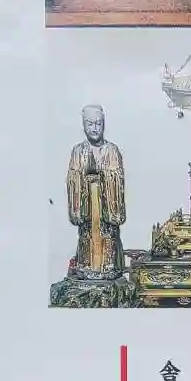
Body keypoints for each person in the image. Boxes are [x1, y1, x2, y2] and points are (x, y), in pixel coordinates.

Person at [65, 104, 126, 279]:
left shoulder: (112, 150)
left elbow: (117, 178)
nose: (94, 129)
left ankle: (108, 266)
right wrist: (83, 178)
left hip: (106, 206)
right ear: (84, 125)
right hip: (88, 206)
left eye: (98, 124)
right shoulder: (78, 151)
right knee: (87, 236)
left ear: (103, 125)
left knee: (108, 236)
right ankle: (86, 265)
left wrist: (104, 175)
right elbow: (73, 179)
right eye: (90, 124)